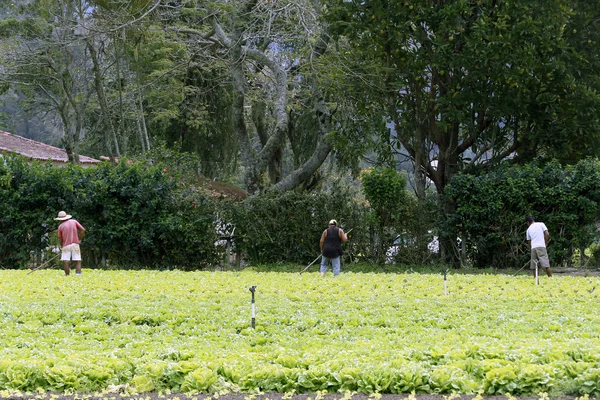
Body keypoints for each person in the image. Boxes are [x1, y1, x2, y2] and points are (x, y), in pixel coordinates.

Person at [55, 211, 86, 276]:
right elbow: (83, 230)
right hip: (75, 243)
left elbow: (60, 238)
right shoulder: (74, 222)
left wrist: (62, 246)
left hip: (66, 245)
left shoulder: (60, 226)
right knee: (77, 260)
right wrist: (79, 239)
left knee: (66, 260)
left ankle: (67, 275)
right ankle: (78, 274)